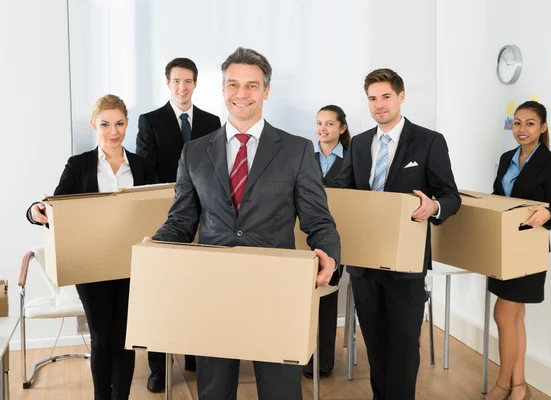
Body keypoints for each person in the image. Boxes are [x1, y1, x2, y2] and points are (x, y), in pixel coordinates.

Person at [146, 47, 341, 400]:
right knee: (215, 391)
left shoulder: (296, 151)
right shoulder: (194, 152)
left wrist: (328, 253)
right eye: (234, 84)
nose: (242, 93)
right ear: (222, 89)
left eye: (252, 85)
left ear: (266, 91)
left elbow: (318, 220)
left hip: (277, 289)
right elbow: (181, 221)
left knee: (281, 391)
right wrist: (155, 247)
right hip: (213, 289)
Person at [332, 68, 461, 400]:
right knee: (375, 342)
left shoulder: (429, 141)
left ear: (401, 97)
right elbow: (343, 191)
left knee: (404, 343)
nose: (379, 105)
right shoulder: (359, 144)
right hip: (364, 262)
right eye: (372, 98)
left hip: (406, 263)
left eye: (386, 96)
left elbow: (450, 196)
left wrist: (434, 208)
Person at [26, 94, 156, 400]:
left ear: (127, 124)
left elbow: (154, 209)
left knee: (125, 339)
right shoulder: (79, 165)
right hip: (92, 266)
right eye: (106, 124)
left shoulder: (141, 165)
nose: (114, 131)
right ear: (93, 125)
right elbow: (54, 207)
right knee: (100, 338)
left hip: (131, 265)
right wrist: (36, 210)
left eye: (120, 123)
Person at [135, 57, 221, 392]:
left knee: (199, 290)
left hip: (207, 218)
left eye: (188, 81)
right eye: (176, 81)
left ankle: (196, 355)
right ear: (168, 83)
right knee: (163, 293)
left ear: (196, 84)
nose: (182, 87)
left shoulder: (212, 121)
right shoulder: (151, 121)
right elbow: (147, 174)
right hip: (167, 217)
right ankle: (158, 367)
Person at [486, 101, 551, 400]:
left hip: (529, 249)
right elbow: (498, 197)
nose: (521, 129)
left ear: (543, 127)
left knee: (504, 313)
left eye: (530, 123)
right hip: (504, 245)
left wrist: (549, 215)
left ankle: (503, 383)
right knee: (514, 317)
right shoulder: (507, 157)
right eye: (517, 123)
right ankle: (519, 384)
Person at [302, 104, 351, 379]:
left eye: (330, 124)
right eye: (319, 123)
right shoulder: (305, 158)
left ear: (342, 128)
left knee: (328, 299)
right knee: (304, 299)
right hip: (304, 236)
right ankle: (301, 354)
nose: (323, 128)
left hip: (336, 237)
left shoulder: (352, 159)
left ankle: (322, 362)